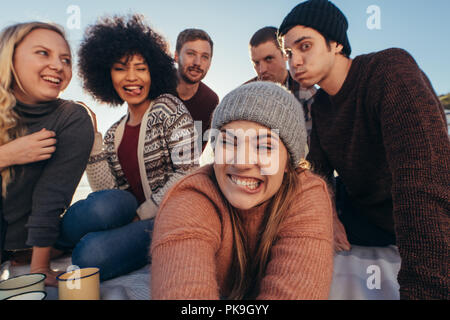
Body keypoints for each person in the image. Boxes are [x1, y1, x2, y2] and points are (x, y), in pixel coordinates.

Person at [279, 0, 450, 299]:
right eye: (289, 53)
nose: (295, 62)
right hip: (360, 209)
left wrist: (425, 290)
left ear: (335, 44)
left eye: (305, 46)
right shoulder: (320, 106)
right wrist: (328, 217)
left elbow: (424, 178)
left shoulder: (389, 71)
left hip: (408, 213)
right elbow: (316, 172)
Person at [151, 81, 334, 300]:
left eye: (265, 146)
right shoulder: (191, 195)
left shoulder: (307, 194)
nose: (242, 162)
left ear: (288, 164)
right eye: (229, 142)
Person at [56, 15, 198, 281]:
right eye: (121, 68)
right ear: (107, 75)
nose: (132, 77)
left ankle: (60, 243)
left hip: (166, 219)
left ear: (153, 71)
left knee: (89, 255)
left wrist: (139, 215)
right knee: (103, 207)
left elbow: (188, 172)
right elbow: (110, 198)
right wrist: (94, 143)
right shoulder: (113, 133)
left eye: (141, 68)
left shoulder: (170, 108)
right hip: (130, 216)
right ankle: (52, 240)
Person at [0, 22, 94, 286]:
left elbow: (51, 195)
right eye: (43, 53)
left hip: (27, 239)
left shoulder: (71, 118)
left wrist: (40, 268)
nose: (58, 66)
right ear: (10, 57)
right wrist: (7, 155)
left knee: (108, 206)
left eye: (65, 59)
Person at [246, 26, 316, 139]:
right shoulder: (244, 96)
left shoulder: (306, 92)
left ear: (285, 55)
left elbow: (312, 146)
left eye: (268, 59)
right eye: (256, 63)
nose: (262, 69)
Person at [175, 28, 219, 149]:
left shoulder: (210, 101)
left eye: (205, 57)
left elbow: (196, 150)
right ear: (176, 56)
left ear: (210, 63)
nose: (197, 63)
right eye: (191, 54)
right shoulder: (156, 86)